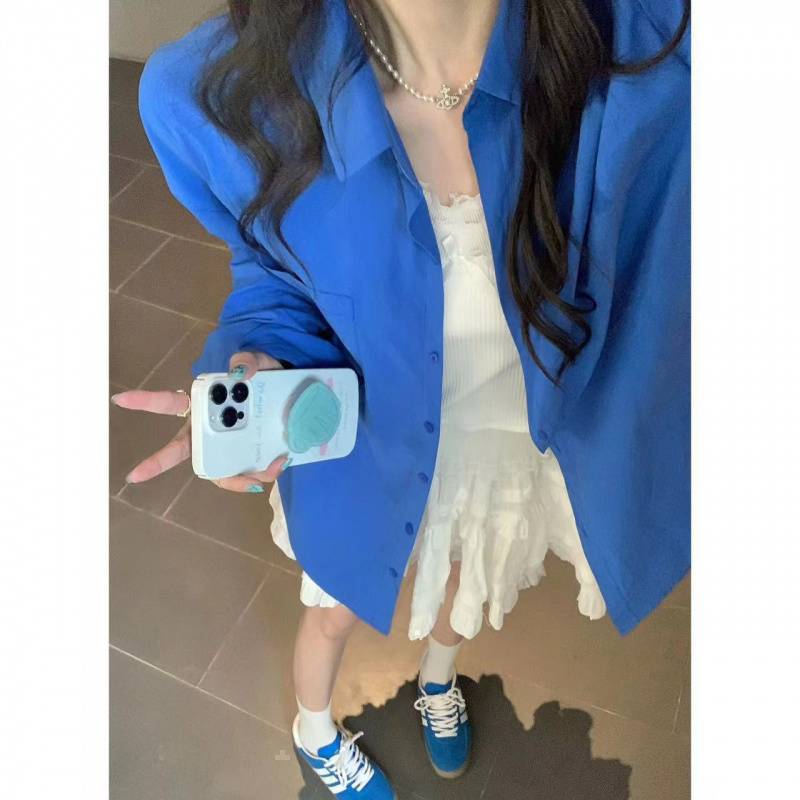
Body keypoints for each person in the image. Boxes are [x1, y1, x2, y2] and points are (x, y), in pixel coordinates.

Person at [112, 0, 690, 796]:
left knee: (463, 583)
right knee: (336, 608)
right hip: (369, 445)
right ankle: (315, 728)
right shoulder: (227, 90)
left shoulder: (650, 42)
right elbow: (272, 271)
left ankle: (437, 681)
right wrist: (252, 360)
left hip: (506, 438)